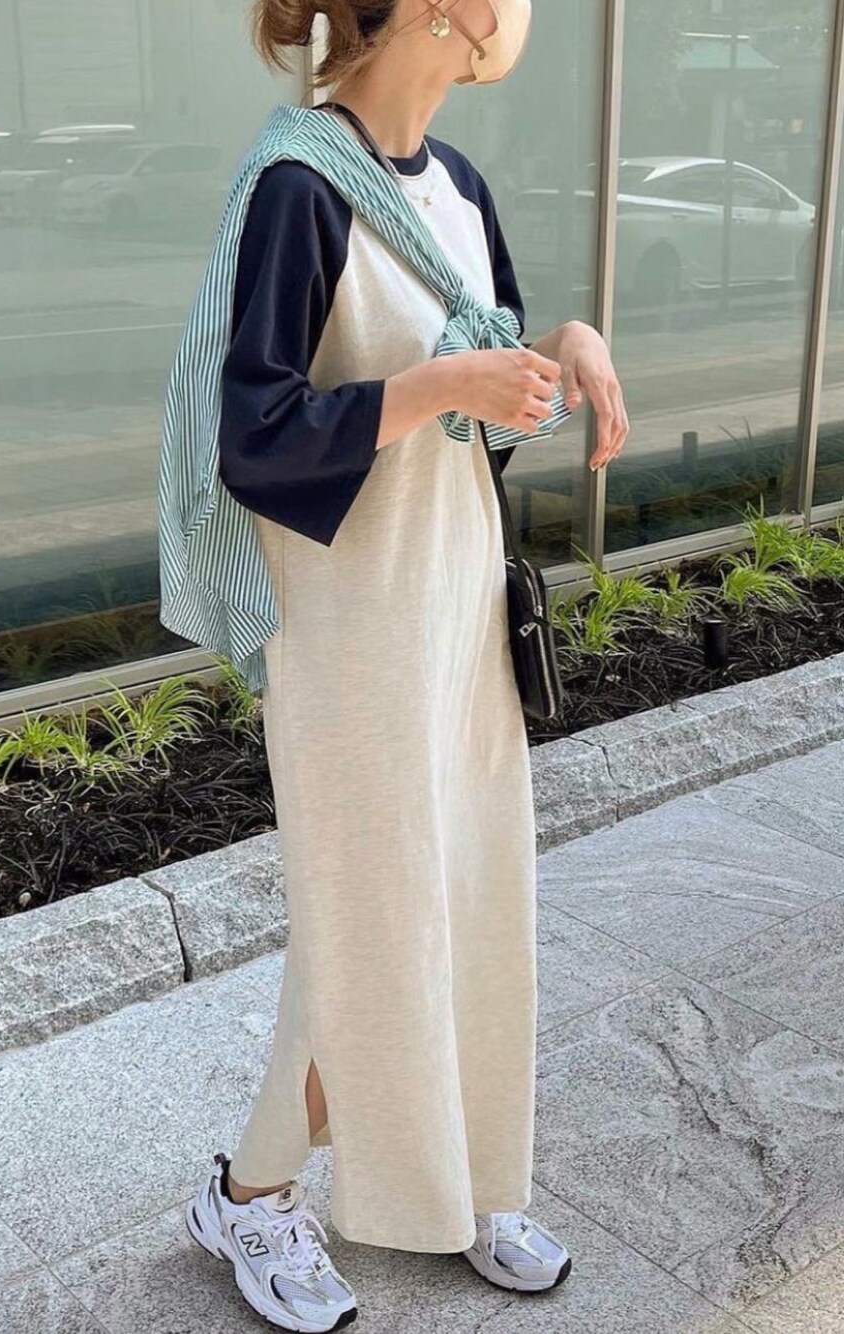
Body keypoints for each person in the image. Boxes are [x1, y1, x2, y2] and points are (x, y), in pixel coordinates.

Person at [180, 2, 629, 1329]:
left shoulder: (460, 187)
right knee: (366, 924)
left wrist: (562, 352)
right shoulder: (302, 189)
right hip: (352, 632)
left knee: (473, 892)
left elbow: (483, 400)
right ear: (444, 10)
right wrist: (443, 388)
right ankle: (249, 1194)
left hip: (453, 609)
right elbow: (256, 436)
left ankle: (464, 1181)